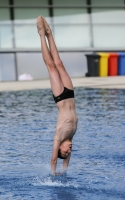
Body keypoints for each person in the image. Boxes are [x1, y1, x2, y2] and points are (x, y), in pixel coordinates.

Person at [36, 16, 78, 175]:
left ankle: (41, 34)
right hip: (71, 94)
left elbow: (54, 159)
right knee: (59, 62)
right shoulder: (71, 137)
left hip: (60, 96)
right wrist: (65, 171)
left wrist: (54, 174)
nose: (68, 152)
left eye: (65, 152)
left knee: (51, 66)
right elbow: (65, 162)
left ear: (60, 147)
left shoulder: (58, 137)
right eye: (68, 153)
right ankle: (49, 34)